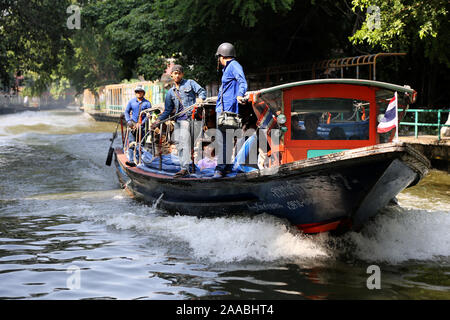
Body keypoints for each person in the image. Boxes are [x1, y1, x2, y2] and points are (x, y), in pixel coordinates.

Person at [151, 65, 206, 177]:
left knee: (186, 143)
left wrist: (200, 98)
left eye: (179, 73)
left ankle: (186, 168)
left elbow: (202, 91)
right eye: (175, 73)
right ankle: (184, 168)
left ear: (182, 74)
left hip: (191, 119)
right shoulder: (170, 93)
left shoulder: (190, 83)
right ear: (171, 75)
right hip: (179, 120)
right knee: (180, 144)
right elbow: (167, 111)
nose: (177, 75)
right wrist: (158, 121)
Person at [213, 42, 248, 178]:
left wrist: (240, 94)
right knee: (226, 138)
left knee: (222, 139)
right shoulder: (227, 68)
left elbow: (242, 81)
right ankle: (227, 167)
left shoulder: (234, 66)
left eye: (218, 57)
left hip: (226, 110)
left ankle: (220, 168)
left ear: (222, 56)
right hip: (224, 108)